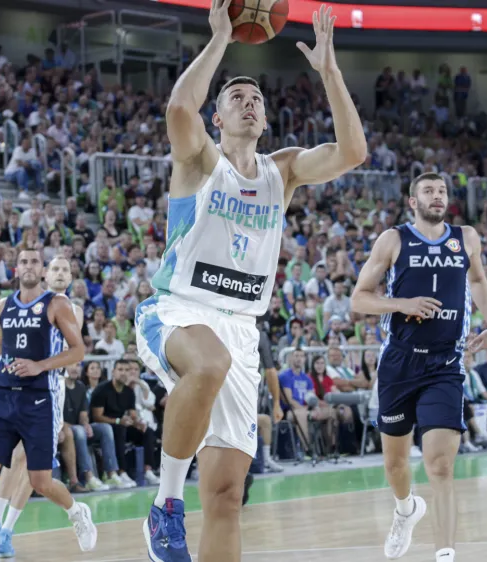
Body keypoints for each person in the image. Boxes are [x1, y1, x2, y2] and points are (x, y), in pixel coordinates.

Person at [134, 4, 366, 560]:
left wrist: (330, 72)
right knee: (208, 363)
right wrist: (219, 38)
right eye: (236, 97)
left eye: (256, 99)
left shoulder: (281, 170)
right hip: (178, 309)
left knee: (225, 495)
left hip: (241, 329)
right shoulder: (199, 160)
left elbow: (353, 152)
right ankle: (165, 506)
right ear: (217, 118)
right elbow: (179, 107)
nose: (248, 102)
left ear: (265, 120)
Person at [349, 172, 487, 562]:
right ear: (413, 202)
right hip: (399, 362)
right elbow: (359, 299)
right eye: (429, 191)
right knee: (395, 463)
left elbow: (478, 280)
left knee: (440, 464)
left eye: (442, 191)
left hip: (445, 363)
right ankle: (406, 510)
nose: (437, 196)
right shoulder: (393, 239)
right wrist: (403, 304)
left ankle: (445, 555)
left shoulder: (466, 237)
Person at [0, 251, 96, 562]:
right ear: (17, 269)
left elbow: (76, 349)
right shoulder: (6, 305)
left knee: (37, 477)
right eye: (25, 262)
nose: (56, 272)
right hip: (5, 394)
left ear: (45, 272)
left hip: (44, 392)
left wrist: (39, 365)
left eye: (62, 268)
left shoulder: (64, 306)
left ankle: (65, 513)